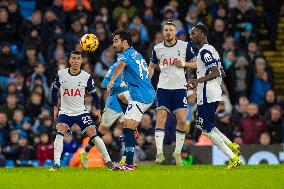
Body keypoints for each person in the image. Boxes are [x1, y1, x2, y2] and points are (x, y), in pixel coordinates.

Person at [187, 24, 241, 169]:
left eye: (194, 33)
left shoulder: (204, 51)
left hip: (207, 94)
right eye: (191, 34)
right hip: (213, 92)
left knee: (206, 128)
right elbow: (222, 72)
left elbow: (216, 72)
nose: (192, 36)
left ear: (203, 34)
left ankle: (233, 157)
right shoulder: (213, 50)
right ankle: (232, 146)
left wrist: (196, 81)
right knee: (206, 126)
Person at [49, 51, 113, 171]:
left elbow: (95, 95)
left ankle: (108, 161)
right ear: (69, 60)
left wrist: (98, 109)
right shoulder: (61, 74)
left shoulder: (86, 77)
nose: (76, 61)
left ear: (81, 61)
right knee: (59, 133)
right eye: (73, 58)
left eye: (78, 58)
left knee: (94, 135)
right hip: (65, 111)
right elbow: (53, 91)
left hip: (81, 111)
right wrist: (55, 107)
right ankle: (56, 164)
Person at [148, 21, 196, 166]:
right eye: (166, 30)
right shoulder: (157, 48)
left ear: (175, 31)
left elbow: (195, 63)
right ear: (163, 32)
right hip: (163, 88)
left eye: (171, 30)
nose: (168, 32)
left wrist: (184, 64)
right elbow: (151, 67)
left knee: (182, 120)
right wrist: (147, 81)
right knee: (161, 118)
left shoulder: (184, 46)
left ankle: (177, 152)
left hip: (180, 89)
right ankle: (159, 153)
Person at [107, 30, 155, 171]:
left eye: (116, 40)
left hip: (140, 96)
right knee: (121, 97)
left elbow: (121, 66)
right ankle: (132, 130)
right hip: (141, 92)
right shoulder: (136, 53)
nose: (113, 43)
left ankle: (128, 164)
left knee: (127, 126)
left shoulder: (125, 55)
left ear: (125, 42)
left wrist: (112, 81)